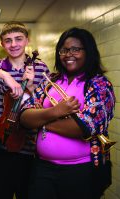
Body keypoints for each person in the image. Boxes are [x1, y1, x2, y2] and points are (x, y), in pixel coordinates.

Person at [19, 27, 115, 199]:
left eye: (76, 49)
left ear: (88, 52)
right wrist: (56, 111)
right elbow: (25, 117)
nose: (68, 54)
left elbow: (85, 128)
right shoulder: (51, 81)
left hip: (81, 171)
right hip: (43, 169)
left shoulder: (99, 84)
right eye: (63, 50)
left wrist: (42, 119)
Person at [0, 21, 49, 199]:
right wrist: (5, 76)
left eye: (18, 39)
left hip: (30, 148)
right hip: (1, 146)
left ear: (27, 40)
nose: (13, 44)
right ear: (2, 44)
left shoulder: (41, 68)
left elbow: (45, 106)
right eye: (8, 40)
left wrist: (29, 88)